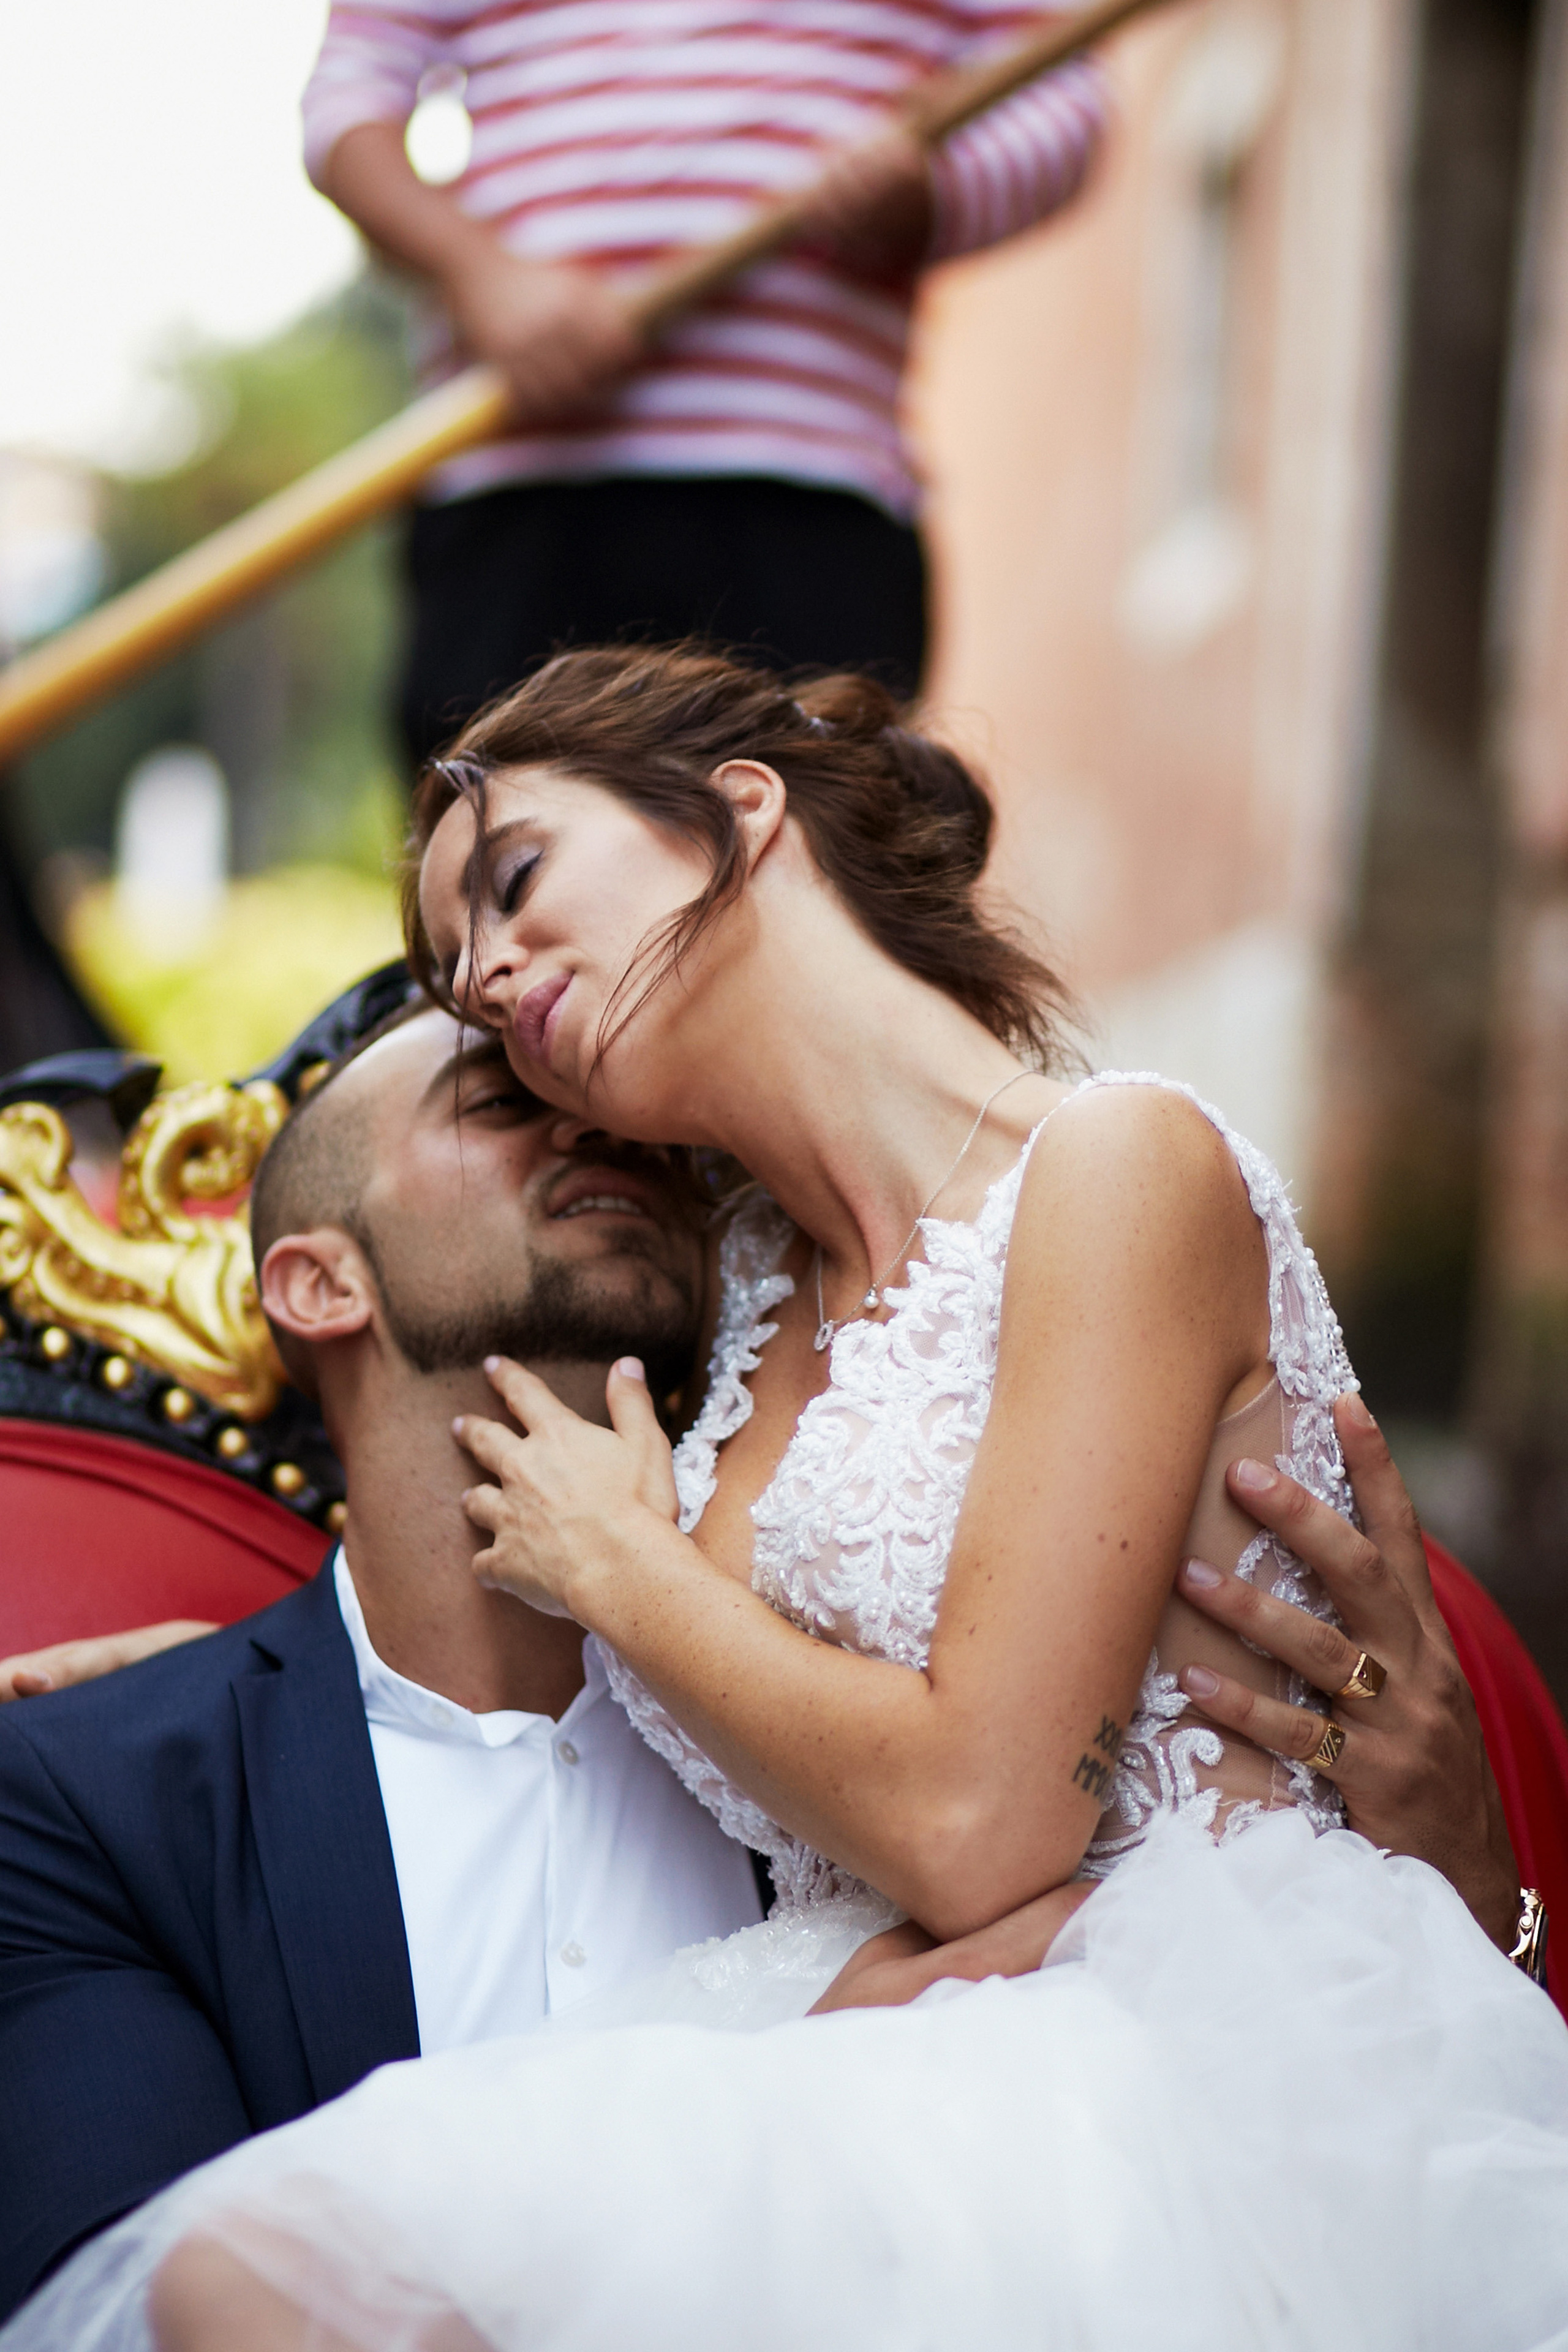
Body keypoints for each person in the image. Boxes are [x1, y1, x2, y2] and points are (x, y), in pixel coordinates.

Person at [24, 644, 1562, 2351]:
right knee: (256, 2273)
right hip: (851, 2018)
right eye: (464, 977)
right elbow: (491, 1613)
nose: (493, 968)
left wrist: (630, 1570)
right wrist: (212, 1679)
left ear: (742, 813)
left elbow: (985, 1819)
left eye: (517, 881)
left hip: (1147, 2057)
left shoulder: (1121, 1167)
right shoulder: (730, 1291)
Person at [0, 1005, 765, 2326]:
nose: (596, 1122)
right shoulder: (94, 1804)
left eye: (629, 1117)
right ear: (320, 1283)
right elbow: (130, 2312)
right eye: (503, 1100)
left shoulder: (896, 1714)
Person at [300, 1, 1107, 758]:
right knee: (500, 850)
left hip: (807, 485)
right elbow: (351, 94)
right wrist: (477, 272)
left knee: (814, 850)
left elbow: (1061, 100)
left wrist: (931, 194)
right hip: (515, 480)